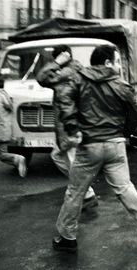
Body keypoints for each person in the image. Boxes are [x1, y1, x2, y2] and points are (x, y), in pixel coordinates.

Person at [53, 45, 137, 255]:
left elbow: (64, 99)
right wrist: (122, 132)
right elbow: (135, 116)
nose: (118, 66)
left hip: (89, 145)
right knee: (124, 188)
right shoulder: (121, 85)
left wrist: (72, 127)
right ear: (106, 63)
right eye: (116, 62)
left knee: (75, 192)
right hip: (116, 145)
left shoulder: (78, 80)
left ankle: (66, 238)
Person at [36, 45, 98, 209]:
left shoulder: (68, 73)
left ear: (64, 56)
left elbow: (42, 78)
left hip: (71, 127)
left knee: (71, 161)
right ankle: (86, 192)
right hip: (72, 126)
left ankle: (87, 195)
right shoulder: (73, 70)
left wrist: (56, 62)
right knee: (58, 156)